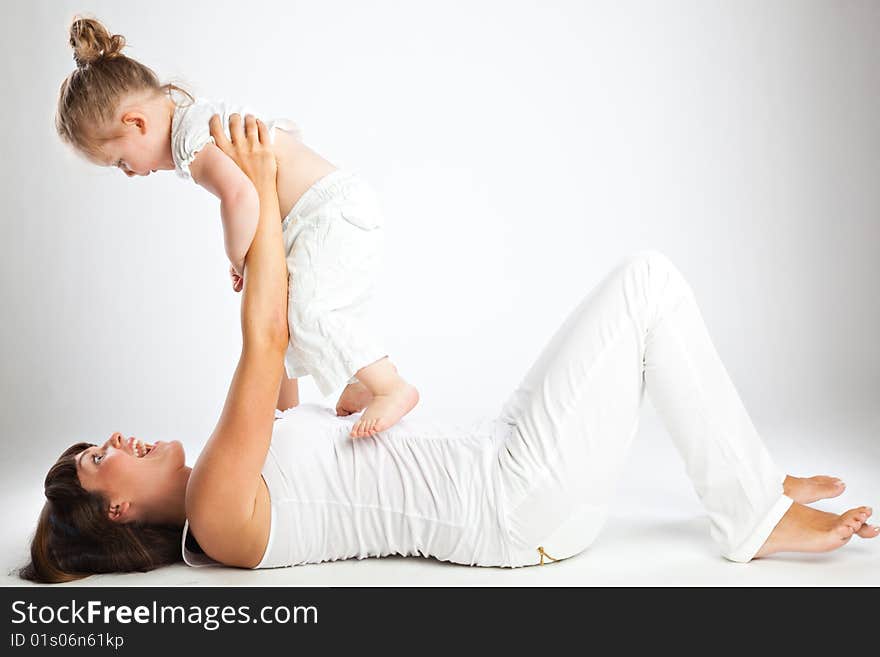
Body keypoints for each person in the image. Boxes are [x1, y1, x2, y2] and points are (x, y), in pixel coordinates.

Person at [21, 112, 877, 583]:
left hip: (505, 467)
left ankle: (749, 482)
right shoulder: (215, 512)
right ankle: (753, 518)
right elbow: (270, 328)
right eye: (104, 458)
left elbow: (278, 343)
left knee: (645, 303)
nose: (121, 438)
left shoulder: (229, 472)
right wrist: (267, 181)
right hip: (512, 504)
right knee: (646, 281)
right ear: (120, 511)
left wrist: (250, 205)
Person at [55, 15, 418, 438]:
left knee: (309, 310)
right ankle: (316, 401)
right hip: (314, 213)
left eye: (120, 161)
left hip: (327, 212)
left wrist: (237, 255)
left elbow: (239, 196)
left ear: (136, 124)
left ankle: (391, 386)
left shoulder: (190, 142)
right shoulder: (194, 119)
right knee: (281, 307)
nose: (129, 173)